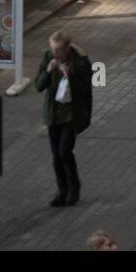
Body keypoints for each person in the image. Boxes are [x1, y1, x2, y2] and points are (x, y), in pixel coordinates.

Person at [34, 31, 94, 207]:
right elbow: (38, 85)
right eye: (53, 49)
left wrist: (70, 76)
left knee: (64, 151)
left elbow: (85, 90)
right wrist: (48, 71)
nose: (56, 54)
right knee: (56, 155)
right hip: (53, 114)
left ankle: (73, 187)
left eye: (59, 50)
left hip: (71, 114)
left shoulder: (80, 62)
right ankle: (62, 190)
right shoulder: (48, 58)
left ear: (67, 48)